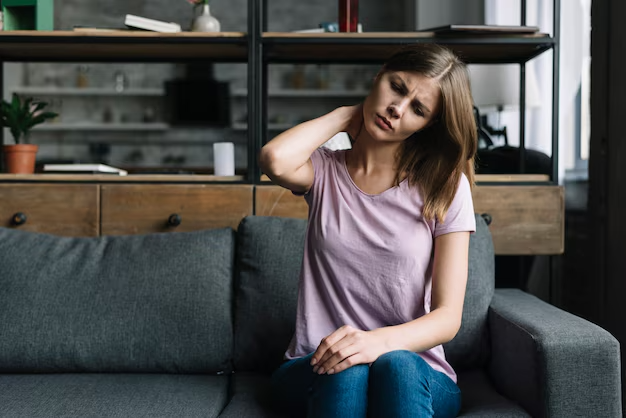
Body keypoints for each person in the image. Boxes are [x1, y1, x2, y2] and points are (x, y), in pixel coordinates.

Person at [259, 43, 477, 418]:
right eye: (397, 87)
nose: (398, 109)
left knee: (396, 364)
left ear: (428, 125)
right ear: (379, 77)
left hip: (414, 373)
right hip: (317, 366)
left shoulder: (446, 186)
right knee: (346, 368)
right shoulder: (323, 171)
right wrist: (346, 116)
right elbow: (274, 159)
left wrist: (373, 343)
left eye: (418, 109)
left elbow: (448, 316)